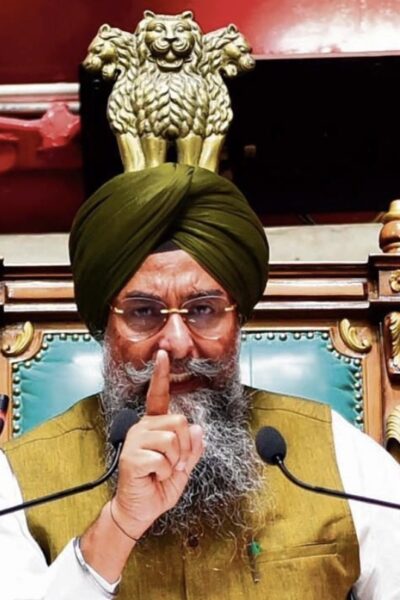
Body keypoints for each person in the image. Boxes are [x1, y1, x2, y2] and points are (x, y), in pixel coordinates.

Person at [0, 163, 400, 600]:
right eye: (143, 311)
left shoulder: (338, 457)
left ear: (238, 320)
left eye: (204, 309)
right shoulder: (18, 481)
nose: (176, 343)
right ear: (104, 327)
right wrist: (118, 524)